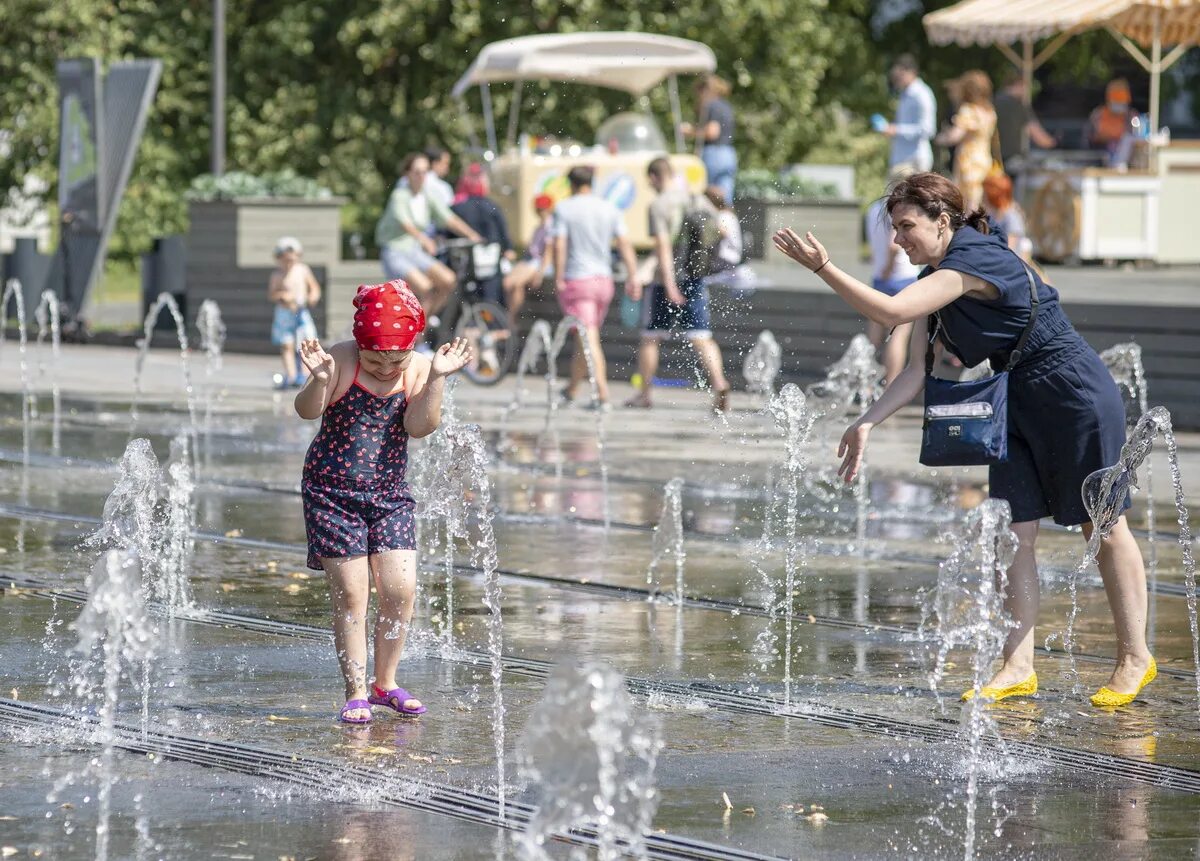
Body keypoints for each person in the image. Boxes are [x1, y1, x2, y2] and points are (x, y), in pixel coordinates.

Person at [772, 172, 1155, 708]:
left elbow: (890, 311)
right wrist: (867, 421)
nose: (897, 240)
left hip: (1071, 391)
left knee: (1103, 522)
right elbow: (915, 371)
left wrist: (824, 268)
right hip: (1014, 398)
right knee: (1012, 534)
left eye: (906, 226)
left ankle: (1135, 658)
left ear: (943, 221)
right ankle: (1017, 666)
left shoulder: (976, 260)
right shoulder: (938, 276)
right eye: (894, 229)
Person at [294, 279, 471, 724]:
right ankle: (355, 690)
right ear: (360, 345)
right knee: (353, 595)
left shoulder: (418, 368)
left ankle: (385, 683)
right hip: (332, 495)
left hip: (389, 495)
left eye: (398, 359)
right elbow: (306, 410)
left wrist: (436, 379)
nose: (387, 368)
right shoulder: (341, 360)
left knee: (400, 590)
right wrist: (319, 381)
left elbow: (419, 427)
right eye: (376, 360)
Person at [626, 159, 731, 412]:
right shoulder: (697, 199)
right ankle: (719, 383)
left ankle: (644, 394)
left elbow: (663, 247)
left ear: (653, 177)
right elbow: (722, 231)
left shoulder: (659, 205)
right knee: (702, 336)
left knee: (650, 338)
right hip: (695, 277)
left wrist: (670, 284)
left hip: (666, 282)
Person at [552, 165, 641, 410]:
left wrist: (558, 276)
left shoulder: (564, 208)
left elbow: (559, 245)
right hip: (604, 281)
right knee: (585, 337)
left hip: (578, 280)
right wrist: (633, 275)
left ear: (571, 184)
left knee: (589, 339)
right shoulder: (609, 208)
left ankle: (602, 394)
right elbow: (624, 243)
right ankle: (572, 389)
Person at [376, 152, 483, 318]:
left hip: (414, 251)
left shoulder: (427, 196)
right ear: (407, 174)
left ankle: (424, 322)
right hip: (395, 251)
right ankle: (417, 329)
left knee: (449, 281)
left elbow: (448, 218)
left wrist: (472, 235)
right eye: (417, 172)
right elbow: (405, 223)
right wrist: (424, 239)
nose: (421, 176)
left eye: (424, 172)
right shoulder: (400, 195)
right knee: (426, 289)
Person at [863, 188, 920, 384]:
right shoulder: (898, 210)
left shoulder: (873, 209)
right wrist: (888, 267)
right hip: (901, 276)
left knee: (873, 337)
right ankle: (890, 387)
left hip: (879, 277)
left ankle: (867, 385)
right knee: (898, 336)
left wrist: (882, 269)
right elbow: (893, 246)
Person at [449, 163, 515, 306]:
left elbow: (447, 233)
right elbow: (503, 233)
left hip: (466, 264)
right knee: (492, 300)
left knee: (467, 299)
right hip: (491, 260)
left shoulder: (457, 207)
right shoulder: (492, 206)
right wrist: (508, 249)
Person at [936, 70, 997, 212]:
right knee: (979, 203)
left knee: (968, 205)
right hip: (984, 159)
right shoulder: (989, 111)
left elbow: (955, 136)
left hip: (968, 161)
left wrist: (940, 139)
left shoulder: (968, 110)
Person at [267, 236, 321, 389]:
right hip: (284, 313)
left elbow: (314, 287)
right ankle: (291, 375)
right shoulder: (277, 275)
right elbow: (271, 294)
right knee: (287, 344)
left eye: (292, 260)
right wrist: (281, 295)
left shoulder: (303, 270)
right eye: (285, 260)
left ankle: (304, 375)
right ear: (278, 258)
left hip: (301, 311)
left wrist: (313, 296)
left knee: (306, 342)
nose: (288, 263)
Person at [681, 74, 738, 202]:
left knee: (709, 194)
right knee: (725, 197)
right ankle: (727, 214)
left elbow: (713, 132)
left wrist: (690, 131)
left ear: (705, 90)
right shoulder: (726, 106)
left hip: (714, 154)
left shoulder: (712, 106)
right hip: (728, 153)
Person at [502, 193, 557, 320]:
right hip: (531, 260)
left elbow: (548, 253)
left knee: (516, 284)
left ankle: (511, 318)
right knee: (508, 283)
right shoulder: (540, 226)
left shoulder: (550, 226)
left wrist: (540, 273)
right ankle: (510, 316)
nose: (540, 211)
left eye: (542, 208)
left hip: (539, 263)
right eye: (538, 208)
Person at [993, 75, 1056, 183]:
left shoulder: (993, 101)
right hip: (1011, 159)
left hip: (992, 157)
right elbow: (1038, 135)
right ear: (1018, 85)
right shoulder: (1019, 105)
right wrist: (1054, 142)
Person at [882, 55, 937, 173]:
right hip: (901, 160)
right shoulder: (904, 94)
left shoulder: (922, 94)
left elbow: (928, 129)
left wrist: (897, 130)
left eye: (900, 75)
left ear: (911, 72)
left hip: (914, 161)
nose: (897, 80)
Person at [983, 172, 1033, 262]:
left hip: (1008, 262)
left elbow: (1010, 247)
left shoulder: (1012, 216)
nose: (984, 196)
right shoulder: (992, 213)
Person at [1088, 79, 1136, 167]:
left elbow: (1136, 136)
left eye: (1121, 99)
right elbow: (1091, 137)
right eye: (1116, 99)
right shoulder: (1098, 114)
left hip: (1126, 163)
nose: (1119, 103)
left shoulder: (1131, 116)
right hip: (1100, 160)